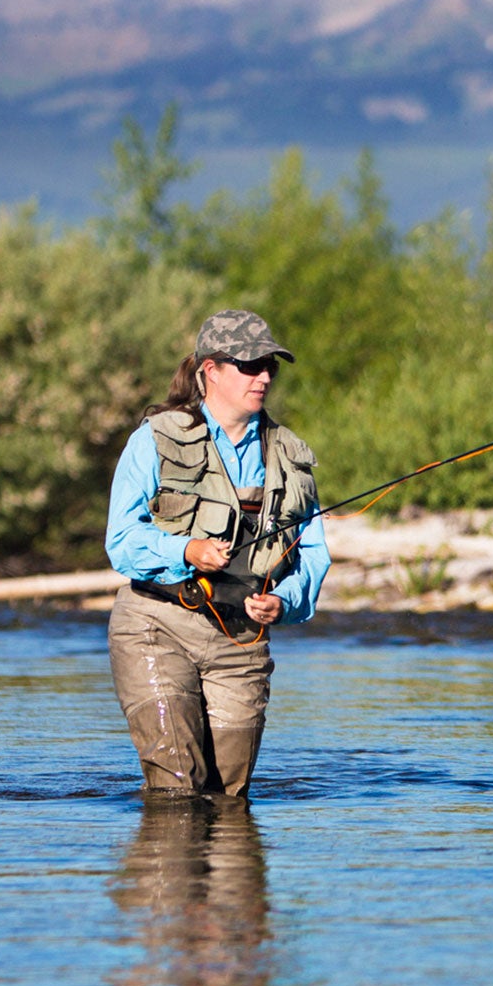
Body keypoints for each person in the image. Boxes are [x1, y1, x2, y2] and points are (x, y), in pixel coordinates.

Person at [106, 309, 330, 797]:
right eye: (250, 365)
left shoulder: (290, 454)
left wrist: (284, 602)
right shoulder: (154, 440)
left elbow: (312, 552)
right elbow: (120, 541)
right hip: (155, 625)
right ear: (210, 370)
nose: (265, 376)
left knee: (229, 796)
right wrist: (185, 549)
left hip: (242, 639)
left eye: (269, 365)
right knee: (178, 790)